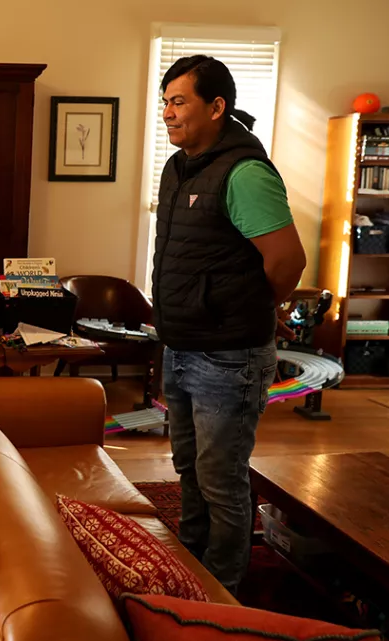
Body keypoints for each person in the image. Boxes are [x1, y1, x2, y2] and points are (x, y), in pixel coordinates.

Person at [153, 55, 307, 597]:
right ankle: (189, 566)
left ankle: (223, 592)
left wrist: (259, 308)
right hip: (181, 347)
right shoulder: (180, 167)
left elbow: (287, 261)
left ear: (217, 107)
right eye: (165, 101)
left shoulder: (244, 172)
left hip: (227, 357)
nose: (167, 113)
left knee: (222, 479)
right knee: (190, 468)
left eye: (179, 101)